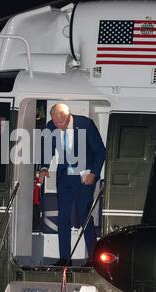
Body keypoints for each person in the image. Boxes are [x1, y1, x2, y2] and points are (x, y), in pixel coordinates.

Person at [38, 103, 105, 266]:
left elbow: (100, 151)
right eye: (55, 122)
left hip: (83, 176)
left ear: (68, 116)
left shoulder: (85, 124)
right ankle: (64, 259)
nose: (58, 126)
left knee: (84, 216)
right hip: (64, 177)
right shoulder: (50, 126)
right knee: (63, 217)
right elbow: (48, 150)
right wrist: (44, 167)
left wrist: (94, 174)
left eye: (61, 122)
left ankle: (93, 259)